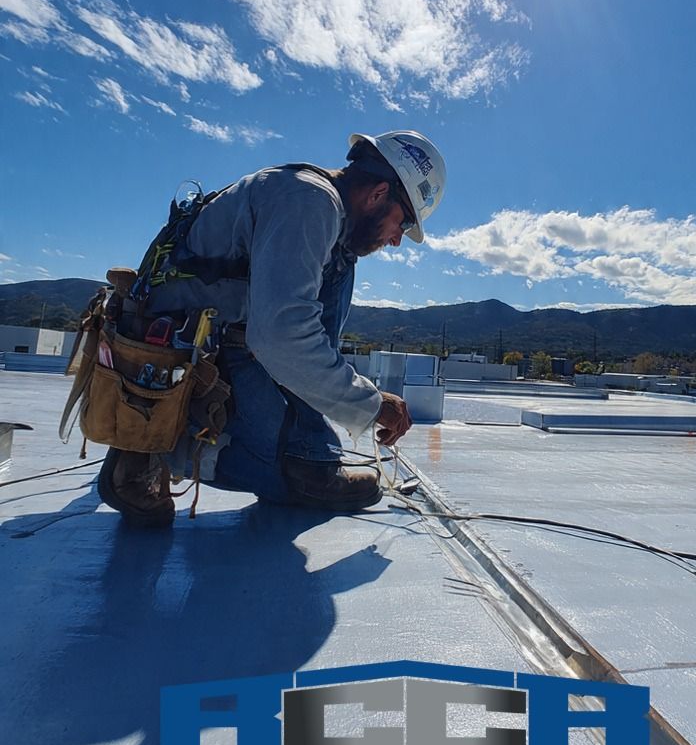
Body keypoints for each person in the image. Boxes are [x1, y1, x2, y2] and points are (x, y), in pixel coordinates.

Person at [97, 129, 446, 527]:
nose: (398, 240)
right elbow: (281, 336)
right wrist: (371, 403)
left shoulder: (311, 201)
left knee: (342, 261)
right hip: (192, 359)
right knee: (291, 476)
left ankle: (306, 453)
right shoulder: (310, 202)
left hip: (215, 342)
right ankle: (157, 447)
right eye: (403, 222)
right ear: (379, 193)